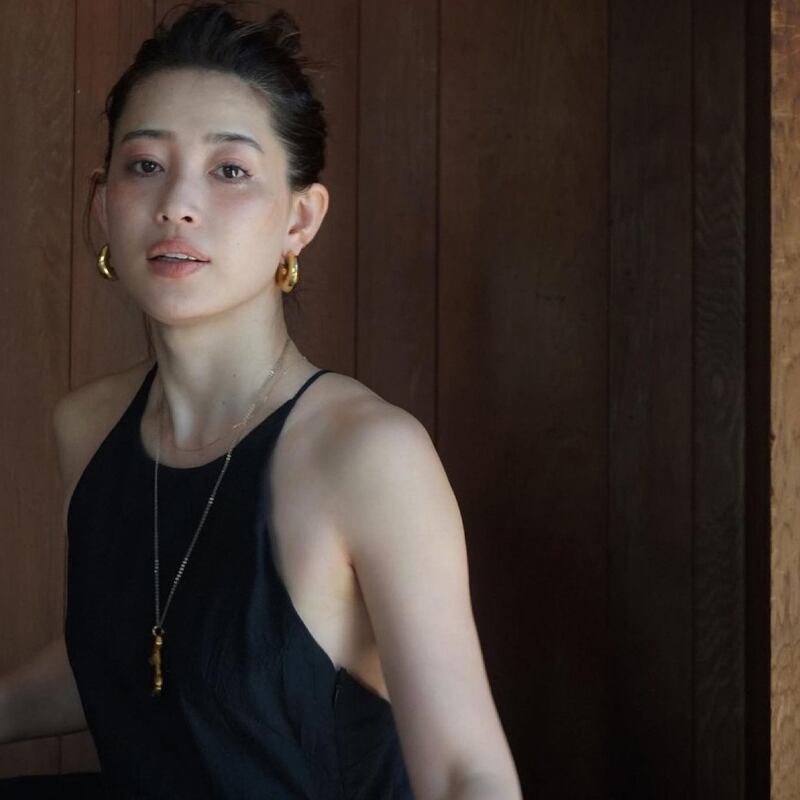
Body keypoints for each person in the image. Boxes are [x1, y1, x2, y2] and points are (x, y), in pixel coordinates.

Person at [0, 2, 523, 798]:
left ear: (299, 220)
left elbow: (465, 771)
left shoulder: (367, 455)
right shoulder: (88, 427)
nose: (177, 203)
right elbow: (143, 657)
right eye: (145, 164)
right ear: (104, 205)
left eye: (230, 171)